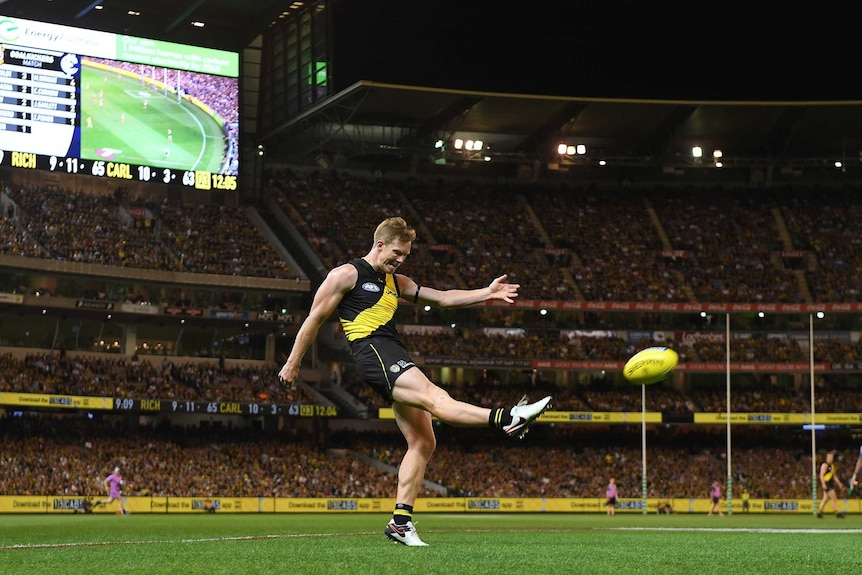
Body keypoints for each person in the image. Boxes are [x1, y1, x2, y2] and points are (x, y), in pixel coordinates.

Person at [278, 217, 551, 547]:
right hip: (373, 351)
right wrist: (293, 363)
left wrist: (486, 293)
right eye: (396, 253)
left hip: (391, 350)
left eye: (405, 255)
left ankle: (400, 523)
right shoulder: (346, 275)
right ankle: (508, 418)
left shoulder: (397, 281)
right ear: (379, 245)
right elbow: (314, 319)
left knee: (424, 442)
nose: (401, 259)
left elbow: (443, 298)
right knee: (437, 398)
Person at [817, 450, 845, 518]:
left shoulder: (832, 466)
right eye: (829, 457)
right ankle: (836, 512)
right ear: (827, 457)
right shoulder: (825, 465)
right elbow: (821, 475)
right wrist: (823, 484)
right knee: (834, 497)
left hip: (830, 483)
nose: (830, 458)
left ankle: (819, 512)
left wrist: (839, 483)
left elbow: (834, 476)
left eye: (831, 457)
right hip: (827, 483)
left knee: (825, 499)